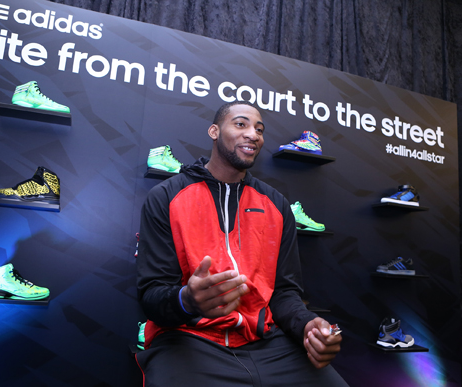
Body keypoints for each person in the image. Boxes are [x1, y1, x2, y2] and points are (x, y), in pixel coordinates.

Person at [136, 101, 347, 386]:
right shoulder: (166, 197)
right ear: (214, 131)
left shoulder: (276, 204)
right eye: (241, 124)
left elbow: (284, 293)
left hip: (265, 342)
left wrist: (307, 325)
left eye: (259, 130)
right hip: (188, 339)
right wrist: (187, 300)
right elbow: (152, 295)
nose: (253, 134)